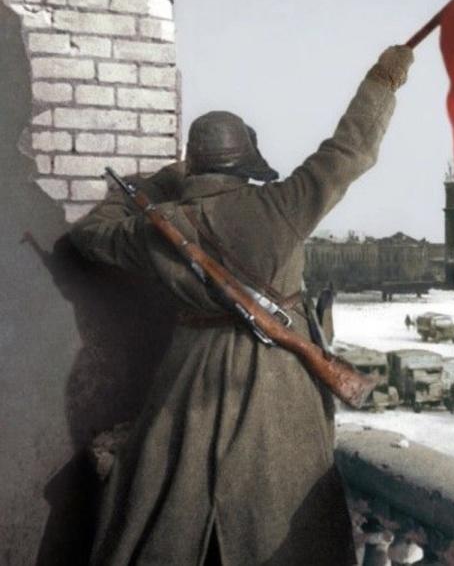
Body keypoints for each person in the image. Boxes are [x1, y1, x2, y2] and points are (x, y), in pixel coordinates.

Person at [69, 45, 415, 564]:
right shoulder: (281, 205)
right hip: (281, 384)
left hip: (187, 383)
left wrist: (164, 181)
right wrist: (382, 82)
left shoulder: (159, 229)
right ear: (245, 161)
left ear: (196, 164)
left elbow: (90, 235)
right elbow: (351, 149)